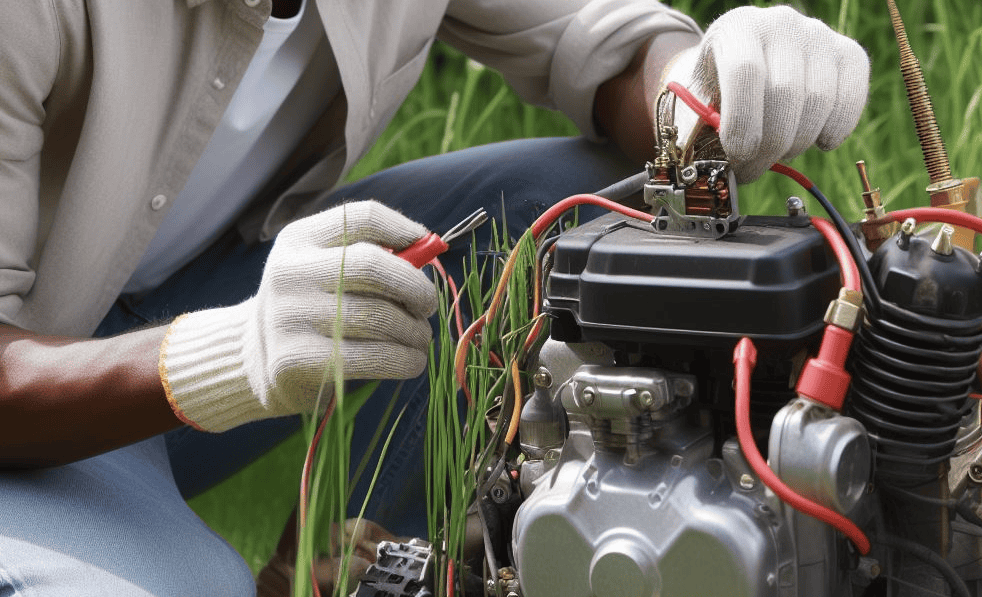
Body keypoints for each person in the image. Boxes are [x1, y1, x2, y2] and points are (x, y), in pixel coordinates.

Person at [0, 0, 869, 594]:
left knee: (578, 209)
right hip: (34, 400)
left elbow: (600, 42)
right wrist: (226, 356)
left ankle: (369, 565)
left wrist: (703, 79)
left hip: (208, 298)